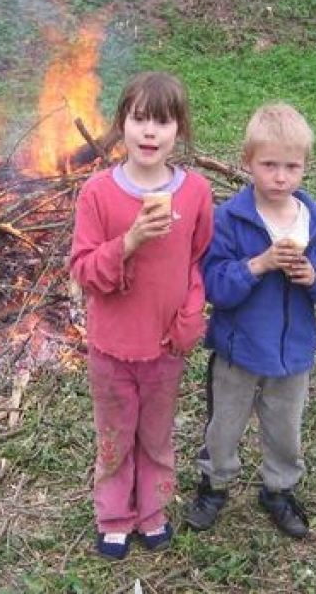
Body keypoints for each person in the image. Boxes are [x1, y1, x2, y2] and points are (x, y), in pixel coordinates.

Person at [186, 102, 316, 538]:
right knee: (224, 425)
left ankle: (279, 490)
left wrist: (314, 276)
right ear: (247, 162)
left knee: (285, 427)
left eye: (292, 166)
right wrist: (259, 264)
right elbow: (212, 283)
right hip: (238, 350)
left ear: (305, 167)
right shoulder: (229, 220)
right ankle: (214, 484)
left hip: (293, 355)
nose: (280, 176)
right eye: (269, 165)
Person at [69, 71, 214, 560]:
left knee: (156, 436)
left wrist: (190, 319)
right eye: (139, 119)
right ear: (121, 125)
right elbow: (84, 270)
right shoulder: (97, 193)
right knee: (114, 438)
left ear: (179, 131)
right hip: (111, 348)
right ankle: (113, 516)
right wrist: (129, 241)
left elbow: (198, 260)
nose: (150, 132)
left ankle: (151, 510)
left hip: (165, 349)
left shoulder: (195, 193)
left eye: (163, 121)